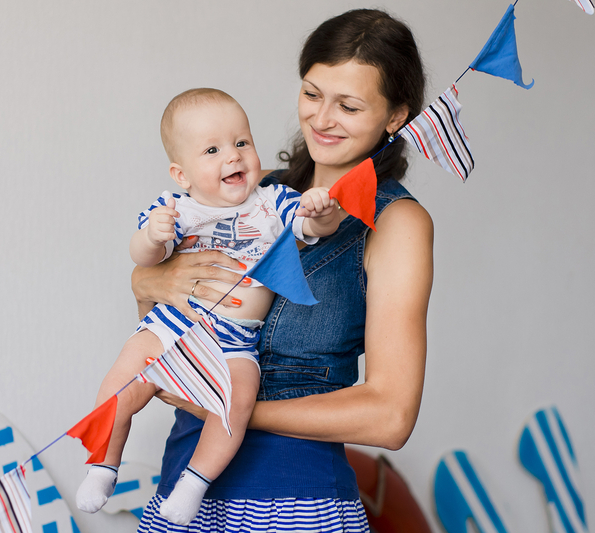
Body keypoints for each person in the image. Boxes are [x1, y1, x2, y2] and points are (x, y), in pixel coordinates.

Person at [131, 8, 434, 533]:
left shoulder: (396, 223)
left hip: (294, 503)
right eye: (312, 94)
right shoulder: (252, 189)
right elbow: (159, 321)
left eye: (349, 106)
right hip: (181, 490)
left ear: (395, 116)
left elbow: (390, 417)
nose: (322, 119)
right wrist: (147, 280)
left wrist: (228, 409)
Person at [75, 88, 342, 525]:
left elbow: (317, 227)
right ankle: (102, 465)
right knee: (121, 383)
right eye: (212, 150)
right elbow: (143, 257)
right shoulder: (176, 209)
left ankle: (193, 484)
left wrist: (320, 208)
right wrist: (152, 236)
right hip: (171, 325)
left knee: (236, 403)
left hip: (237, 340)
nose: (233, 156)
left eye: (242, 142)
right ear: (181, 174)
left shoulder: (274, 202)